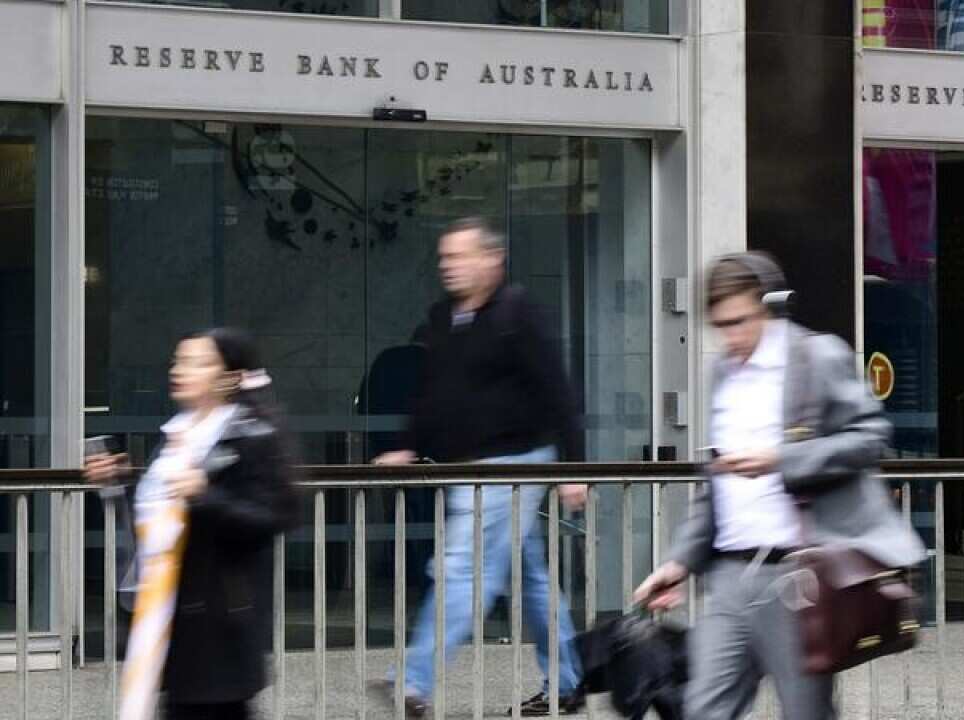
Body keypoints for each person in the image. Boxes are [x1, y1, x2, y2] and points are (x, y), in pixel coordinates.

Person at [633, 252, 925, 720]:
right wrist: (680, 561)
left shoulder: (816, 356)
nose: (731, 336)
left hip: (796, 575)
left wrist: (780, 460)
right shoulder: (722, 373)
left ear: (769, 305)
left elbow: (870, 438)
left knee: (805, 712)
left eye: (740, 321)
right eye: (721, 325)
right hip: (729, 577)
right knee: (704, 710)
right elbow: (716, 483)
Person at [375, 216, 587, 717]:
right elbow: (433, 393)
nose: (449, 266)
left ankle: (413, 680)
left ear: (492, 259)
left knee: (462, 568)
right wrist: (408, 445)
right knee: (531, 576)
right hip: (471, 466)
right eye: (444, 258)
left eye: (460, 256)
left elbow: (559, 393)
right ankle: (567, 682)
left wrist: (574, 468)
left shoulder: (519, 314)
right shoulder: (444, 317)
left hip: (513, 462)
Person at [85, 327, 300, 720]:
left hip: (218, 623)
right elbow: (164, 521)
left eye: (198, 362)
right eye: (179, 360)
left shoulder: (249, 436)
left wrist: (204, 496)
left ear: (229, 376)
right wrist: (119, 483)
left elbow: (274, 516)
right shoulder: (177, 435)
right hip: (169, 617)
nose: (180, 369)